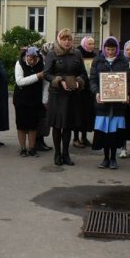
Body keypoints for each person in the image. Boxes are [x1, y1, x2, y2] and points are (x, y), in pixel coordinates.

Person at [43, 28, 89, 166]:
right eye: (64, 39)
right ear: (59, 40)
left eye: (69, 39)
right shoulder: (52, 54)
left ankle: (66, 154)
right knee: (57, 126)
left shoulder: (77, 54)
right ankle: (57, 154)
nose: (67, 42)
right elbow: (46, 74)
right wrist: (59, 81)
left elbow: (83, 74)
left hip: (72, 96)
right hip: (57, 95)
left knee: (68, 126)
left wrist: (78, 81)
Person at [89, 36, 130, 170]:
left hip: (118, 104)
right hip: (102, 104)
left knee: (114, 133)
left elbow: (127, 80)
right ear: (104, 49)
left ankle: (113, 158)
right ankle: (105, 158)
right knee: (104, 133)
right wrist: (96, 93)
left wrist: (126, 94)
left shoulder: (123, 61)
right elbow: (93, 80)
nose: (111, 52)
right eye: (108, 49)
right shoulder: (98, 60)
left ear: (117, 49)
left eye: (113, 49)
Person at [13, 46, 45, 156]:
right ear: (26, 56)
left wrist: (45, 100)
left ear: (37, 57)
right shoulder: (19, 64)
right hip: (21, 99)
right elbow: (20, 81)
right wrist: (37, 76)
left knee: (33, 125)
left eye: (33, 59)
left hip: (35, 99)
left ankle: (32, 148)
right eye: (29, 58)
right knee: (21, 125)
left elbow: (45, 83)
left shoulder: (41, 64)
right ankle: (22, 148)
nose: (31, 61)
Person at [74, 36, 97, 148]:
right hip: (79, 89)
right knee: (78, 114)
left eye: (93, 44)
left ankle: (84, 137)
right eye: (89, 43)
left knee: (86, 114)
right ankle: (75, 138)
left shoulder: (95, 56)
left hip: (89, 89)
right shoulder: (78, 54)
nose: (92, 46)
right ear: (84, 44)